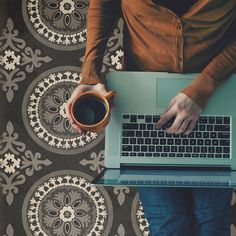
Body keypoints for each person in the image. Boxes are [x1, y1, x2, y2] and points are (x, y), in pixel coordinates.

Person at [66, 1, 236, 235]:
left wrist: (204, 86)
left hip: (218, 91)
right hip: (143, 94)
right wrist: (89, 74)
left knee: (212, 221)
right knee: (168, 224)